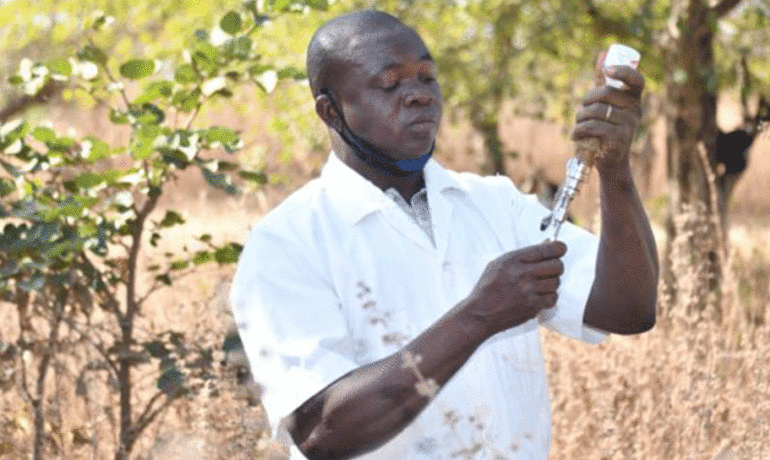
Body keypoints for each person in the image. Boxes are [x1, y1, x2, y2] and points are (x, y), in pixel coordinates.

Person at [230, 9, 658, 460]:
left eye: (427, 77)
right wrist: (481, 314)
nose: (418, 96)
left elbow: (628, 311)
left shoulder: (495, 204)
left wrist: (614, 171)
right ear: (331, 111)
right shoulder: (288, 243)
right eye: (390, 84)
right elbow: (320, 432)